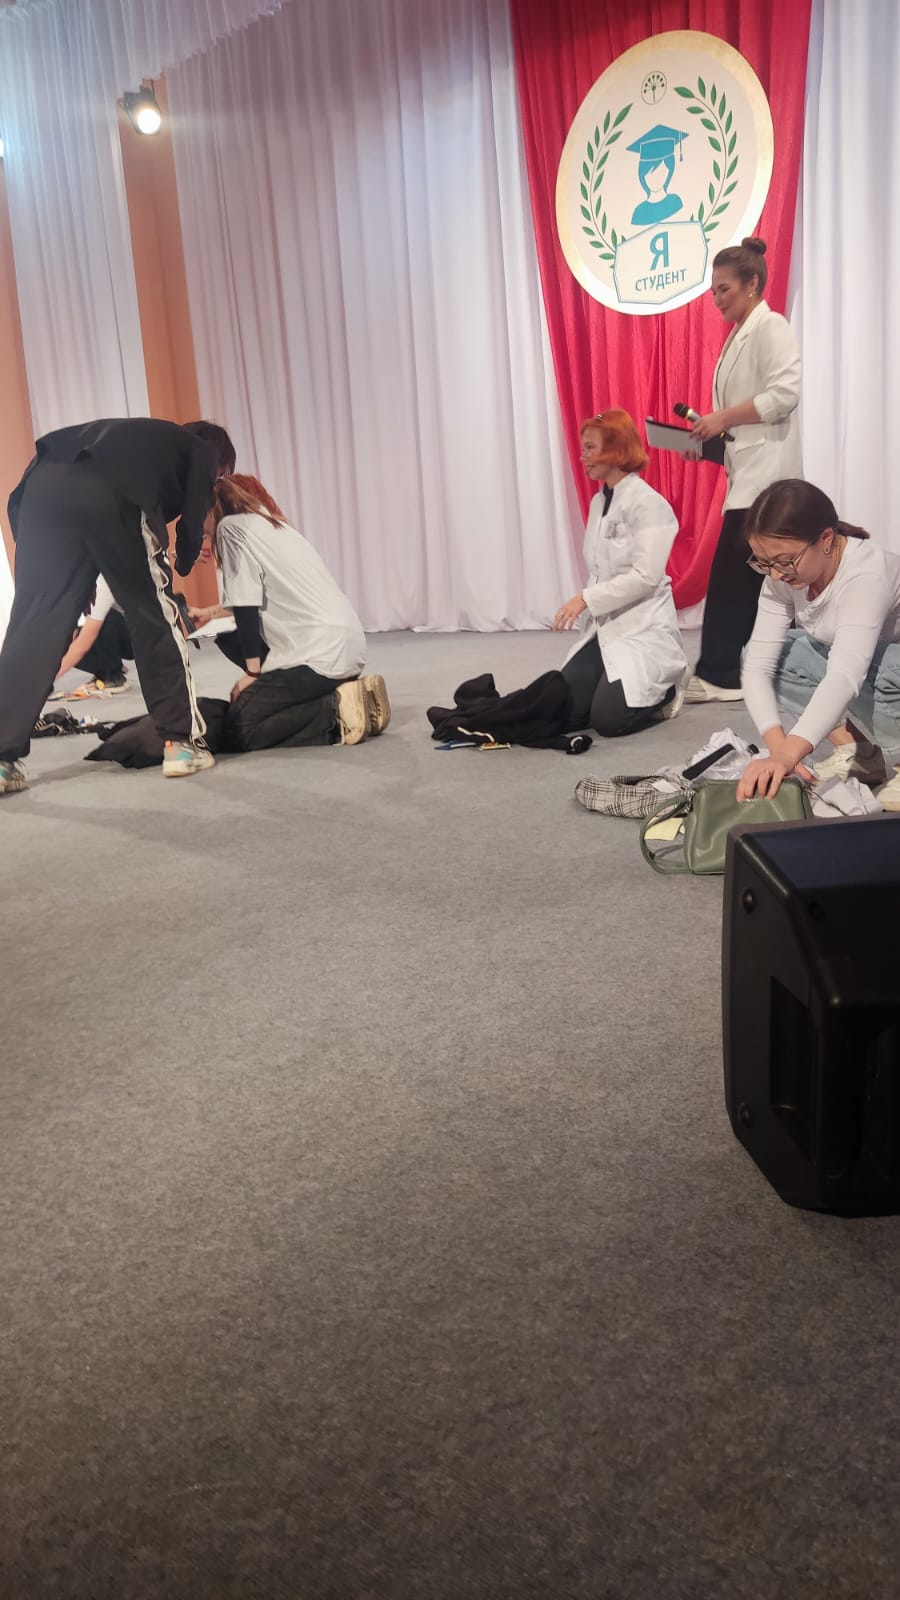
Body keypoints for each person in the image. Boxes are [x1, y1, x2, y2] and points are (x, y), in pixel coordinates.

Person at [0, 417, 222, 795]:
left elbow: (32, 504)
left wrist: (69, 575)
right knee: (152, 613)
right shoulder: (202, 452)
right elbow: (192, 526)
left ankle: (2, 760)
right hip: (112, 487)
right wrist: (184, 562)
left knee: (34, 621)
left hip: (38, 488)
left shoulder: (139, 438)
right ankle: (181, 745)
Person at [735, 479, 900, 813]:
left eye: (784, 561)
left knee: (886, 670)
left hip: (888, 668)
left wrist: (788, 754)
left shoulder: (865, 574)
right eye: (764, 562)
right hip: (870, 666)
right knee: (777, 656)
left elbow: (845, 675)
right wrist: (779, 749)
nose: (775, 575)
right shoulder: (781, 576)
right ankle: (859, 754)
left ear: (826, 539)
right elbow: (758, 666)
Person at [685, 237, 802, 704]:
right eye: (713, 291)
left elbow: (785, 394)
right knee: (763, 580)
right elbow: (741, 426)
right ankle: (742, 669)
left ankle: (721, 674)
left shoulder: (771, 326)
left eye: (724, 289)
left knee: (734, 577)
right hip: (750, 474)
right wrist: (709, 440)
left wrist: (723, 418)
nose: (717, 299)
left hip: (767, 478)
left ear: (752, 283)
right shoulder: (738, 335)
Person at [194, 475, 389, 751]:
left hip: (316, 656)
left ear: (209, 509)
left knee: (238, 726)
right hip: (347, 649)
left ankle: (335, 713)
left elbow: (247, 606)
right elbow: (257, 594)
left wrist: (253, 673)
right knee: (250, 695)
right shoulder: (274, 524)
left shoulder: (230, 529)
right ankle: (352, 697)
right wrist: (209, 612)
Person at [553, 409, 688, 735]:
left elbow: (646, 577)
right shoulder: (599, 502)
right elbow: (600, 568)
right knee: (565, 714)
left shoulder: (649, 503)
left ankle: (668, 690)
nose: (583, 457)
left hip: (643, 627)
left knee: (608, 722)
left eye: (590, 448)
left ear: (616, 450)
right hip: (605, 627)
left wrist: (586, 599)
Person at [49, 576, 133, 698]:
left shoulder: (102, 583)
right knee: (62, 637)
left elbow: (84, 642)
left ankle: (113, 674)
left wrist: (49, 678)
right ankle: (105, 670)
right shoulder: (73, 589)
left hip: (135, 639)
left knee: (103, 619)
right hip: (111, 630)